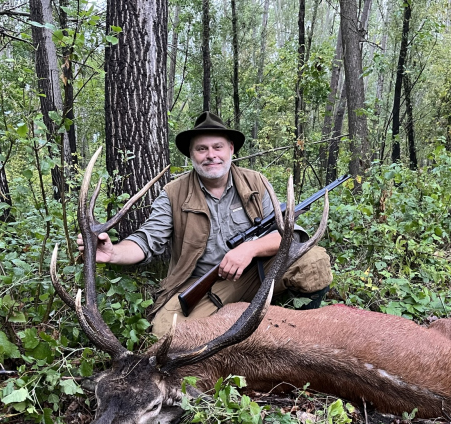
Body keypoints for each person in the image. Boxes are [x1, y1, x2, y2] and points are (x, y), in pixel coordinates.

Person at [79, 111, 333, 336]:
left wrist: (249, 249)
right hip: (205, 284)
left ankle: (301, 332)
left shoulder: (256, 182)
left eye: (217, 147)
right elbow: (147, 240)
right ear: (191, 154)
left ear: (231, 149)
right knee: (166, 334)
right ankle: (236, 323)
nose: (211, 155)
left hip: (258, 273)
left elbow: (287, 234)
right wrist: (113, 253)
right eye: (201, 149)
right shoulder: (173, 193)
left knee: (314, 261)